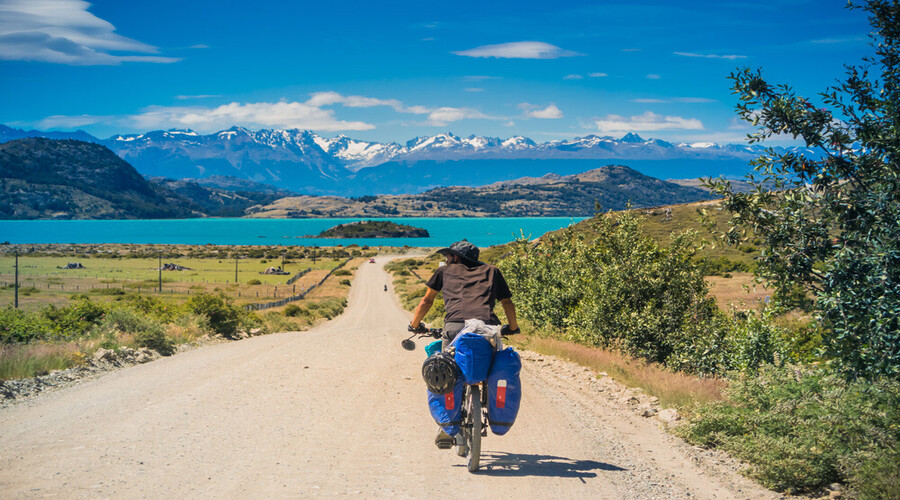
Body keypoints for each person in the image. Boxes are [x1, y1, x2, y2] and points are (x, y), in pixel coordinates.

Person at [408, 240, 520, 449]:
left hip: (454, 329)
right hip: (487, 328)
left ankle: (446, 426)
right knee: (492, 365)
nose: (447, 259)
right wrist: (512, 327)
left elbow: (426, 301)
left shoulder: (444, 271)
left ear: (456, 257)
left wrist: (415, 325)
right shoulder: (493, 271)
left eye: (449, 256)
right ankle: (486, 398)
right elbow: (507, 302)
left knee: (444, 371)